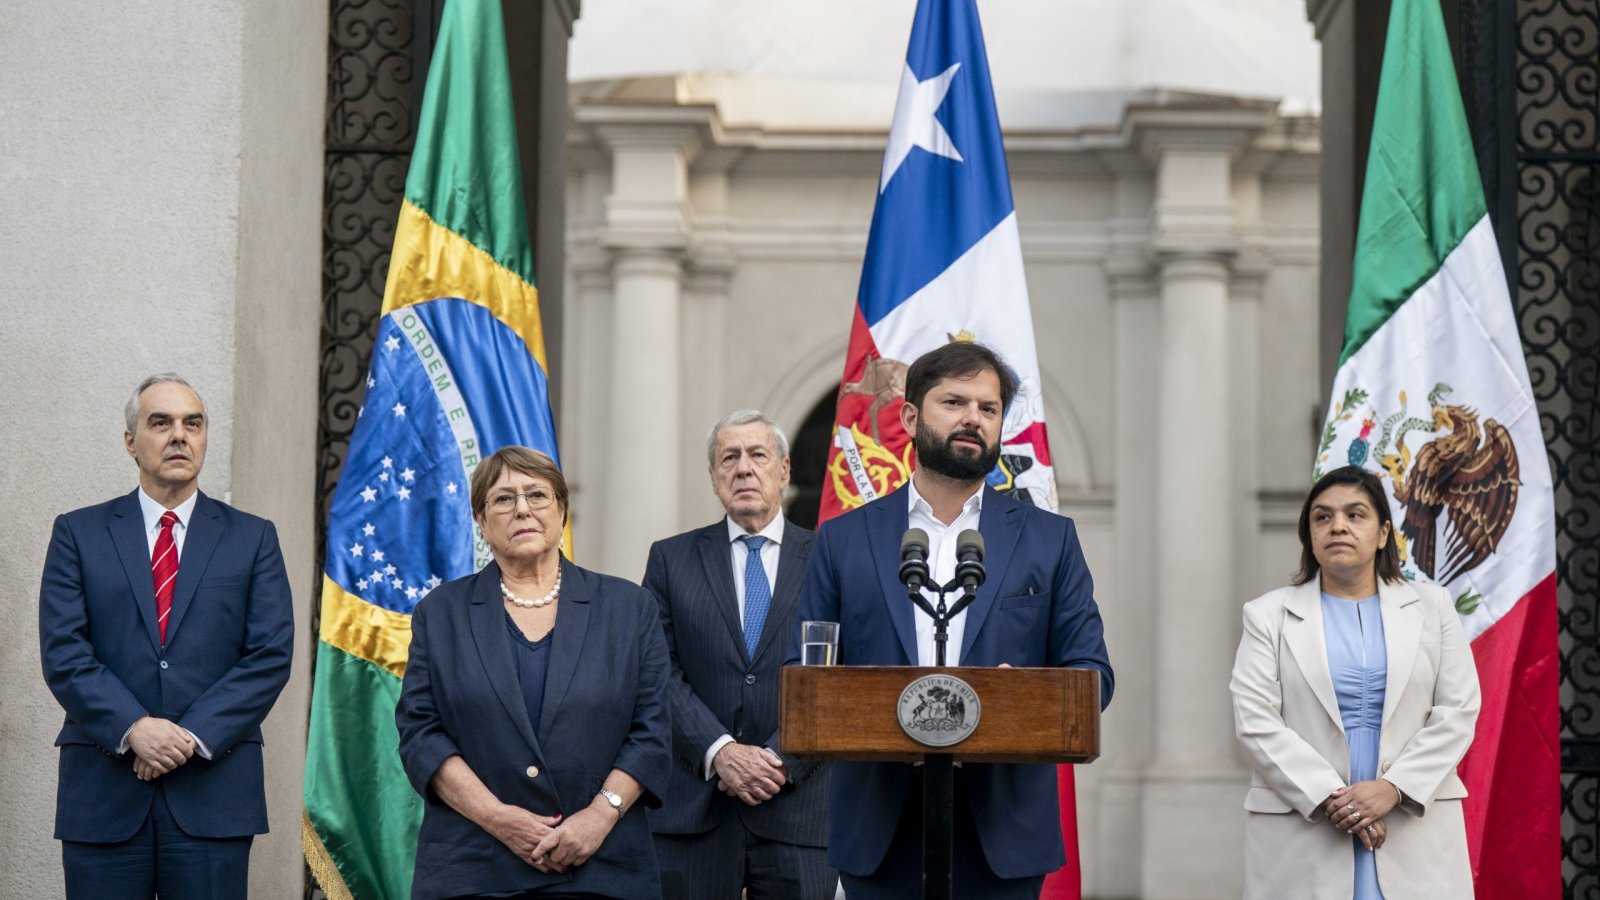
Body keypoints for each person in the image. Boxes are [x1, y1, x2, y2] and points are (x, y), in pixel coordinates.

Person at [790, 342, 1115, 900]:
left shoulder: (1048, 539)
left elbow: (1092, 673)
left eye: (988, 409)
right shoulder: (845, 539)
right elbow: (802, 668)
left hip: (1003, 825)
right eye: (955, 402)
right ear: (912, 417)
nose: (973, 419)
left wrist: (1023, 695)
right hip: (879, 822)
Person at [38, 373, 295, 899]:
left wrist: (189, 736)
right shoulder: (78, 533)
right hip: (105, 793)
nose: (179, 435)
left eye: (192, 423)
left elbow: (269, 655)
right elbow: (64, 650)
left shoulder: (253, 537)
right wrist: (134, 727)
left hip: (214, 791)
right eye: (161, 422)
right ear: (130, 440)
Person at [396, 446, 671, 900]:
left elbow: (652, 731)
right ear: (481, 523)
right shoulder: (440, 613)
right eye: (503, 499)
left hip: (601, 865)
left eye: (537, 495)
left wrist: (600, 816)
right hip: (474, 867)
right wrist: (497, 818)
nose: (522, 508)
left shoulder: (628, 608)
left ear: (561, 510)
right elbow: (421, 734)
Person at [1230, 465, 1480, 899]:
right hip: (1305, 830)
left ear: (1384, 533)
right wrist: (1336, 799)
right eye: (1322, 517)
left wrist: (1393, 789)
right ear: (1309, 535)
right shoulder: (1266, 615)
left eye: (1354, 514)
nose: (1338, 526)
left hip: (1410, 827)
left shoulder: (1432, 606)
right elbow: (1255, 721)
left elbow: (1458, 711)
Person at [643, 411, 835, 900]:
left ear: (785, 470)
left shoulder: (829, 560)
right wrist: (721, 751)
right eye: (729, 457)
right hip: (695, 813)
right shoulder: (671, 560)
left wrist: (777, 759)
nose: (743, 469)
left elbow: (838, 677)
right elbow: (656, 670)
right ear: (713, 477)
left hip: (800, 812)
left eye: (757, 455)